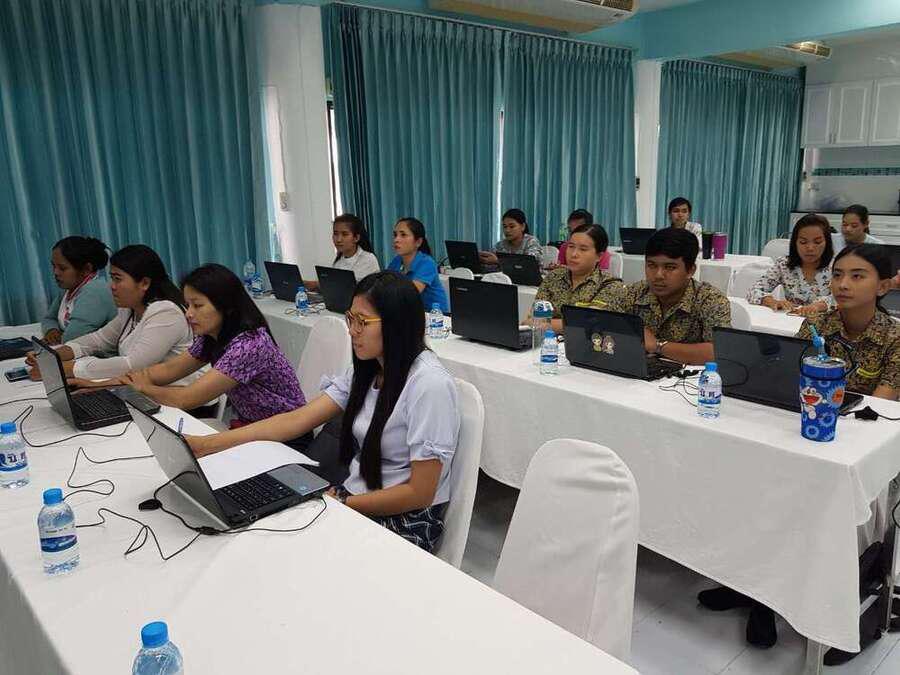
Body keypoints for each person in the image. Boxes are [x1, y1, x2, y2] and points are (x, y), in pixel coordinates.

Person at [185, 271, 460, 552]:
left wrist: (342, 504)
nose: (352, 331)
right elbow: (296, 420)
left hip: (404, 520)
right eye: (351, 319)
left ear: (397, 324)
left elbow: (420, 493)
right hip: (356, 497)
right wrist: (208, 444)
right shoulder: (369, 370)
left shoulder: (429, 385)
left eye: (363, 322)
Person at [114, 264, 309, 439]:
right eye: (188, 305)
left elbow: (186, 399)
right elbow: (168, 370)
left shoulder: (249, 345)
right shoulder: (212, 336)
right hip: (253, 428)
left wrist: (141, 388)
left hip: (286, 436)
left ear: (226, 306)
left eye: (197, 305)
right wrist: (112, 383)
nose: (188, 313)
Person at [26, 245, 195, 384]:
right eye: (111, 278)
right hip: (148, 391)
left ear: (144, 283)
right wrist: (52, 357)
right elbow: (97, 341)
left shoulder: (166, 312)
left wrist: (63, 369)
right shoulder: (129, 309)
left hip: (181, 402)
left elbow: (133, 365)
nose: (112, 286)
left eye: (118, 279)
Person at [609, 228, 731, 365]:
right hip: (636, 370)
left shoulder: (711, 300)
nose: (658, 275)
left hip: (689, 377)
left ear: (690, 270)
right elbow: (605, 326)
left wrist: (657, 345)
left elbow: (718, 353)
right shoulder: (634, 293)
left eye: (670, 267)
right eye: (651, 265)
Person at [797, 244, 899, 400]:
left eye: (857, 276)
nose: (842, 285)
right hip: (815, 411)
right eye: (837, 275)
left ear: (883, 286)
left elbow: (880, 403)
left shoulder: (894, 338)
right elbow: (794, 380)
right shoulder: (816, 325)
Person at [533, 224, 624, 334]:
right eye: (571, 247)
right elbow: (533, 318)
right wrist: (541, 323)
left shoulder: (610, 285)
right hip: (547, 341)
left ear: (599, 256)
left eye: (583, 249)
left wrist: (544, 324)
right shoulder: (553, 277)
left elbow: (587, 325)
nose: (574, 254)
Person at [746, 213, 835, 316]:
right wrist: (771, 301)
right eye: (803, 242)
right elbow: (754, 291)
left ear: (827, 243)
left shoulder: (836, 266)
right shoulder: (784, 264)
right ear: (794, 243)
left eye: (817, 242)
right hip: (790, 321)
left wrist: (820, 306)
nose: (810, 248)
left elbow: (845, 298)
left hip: (825, 323)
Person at [40, 236, 118, 344]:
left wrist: (57, 339)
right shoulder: (69, 288)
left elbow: (73, 338)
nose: (55, 272)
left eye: (62, 268)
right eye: (53, 266)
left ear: (87, 269)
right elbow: (49, 318)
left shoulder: (96, 290)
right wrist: (51, 330)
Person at [386, 217, 449, 313]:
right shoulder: (396, 261)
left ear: (418, 242)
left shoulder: (427, 263)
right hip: (410, 312)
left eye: (403, 235)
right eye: (395, 235)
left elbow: (409, 294)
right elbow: (384, 285)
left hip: (435, 316)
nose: (396, 240)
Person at [304, 214, 380, 291]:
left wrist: (316, 285)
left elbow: (350, 288)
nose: (338, 239)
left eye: (345, 234)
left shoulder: (368, 259)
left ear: (356, 238)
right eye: (335, 234)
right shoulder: (339, 261)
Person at [478, 208, 542, 266]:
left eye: (512, 227)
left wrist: (497, 261)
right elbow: (491, 261)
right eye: (505, 227)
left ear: (523, 226)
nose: (507, 230)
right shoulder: (500, 245)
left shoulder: (531, 242)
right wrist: (484, 259)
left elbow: (528, 264)